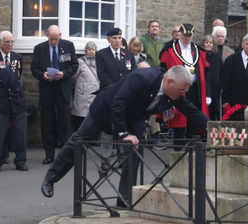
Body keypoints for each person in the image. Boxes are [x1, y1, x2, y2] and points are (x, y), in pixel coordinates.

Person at [40, 65, 209, 207]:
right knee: (78, 141)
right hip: (106, 109)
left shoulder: (174, 93)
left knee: (136, 149)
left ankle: (124, 198)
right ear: (169, 81)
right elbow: (118, 103)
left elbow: (190, 110)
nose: (182, 94)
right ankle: (51, 178)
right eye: (181, 90)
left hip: (133, 116)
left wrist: (213, 127)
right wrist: (124, 134)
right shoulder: (142, 78)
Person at [31, 25, 78, 164]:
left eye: (56, 39)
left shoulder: (68, 46)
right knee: (47, 123)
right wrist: (43, 75)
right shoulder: (39, 48)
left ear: (60, 36)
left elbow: (74, 66)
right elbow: (34, 68)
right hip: (47, 90)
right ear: (47, 36)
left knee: (65, 123)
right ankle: (49, 155)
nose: (54, 42)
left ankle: (66, 156)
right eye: (51, 39)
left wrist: (64, 73)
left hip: (62, 89)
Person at [160, 23, 211, 150]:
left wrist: (207, 94)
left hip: (194, 89)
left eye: (189, 36)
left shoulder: (198, 51)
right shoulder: (169, 50)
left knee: (194, 119)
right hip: (177, 90)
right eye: (185, 35)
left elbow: (206, 74)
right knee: (179, 122)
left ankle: (192, 151)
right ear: (179, 35)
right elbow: (162, 70)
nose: (187, 38)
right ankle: (177, 151)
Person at [0, 31, 28, 173]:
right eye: (6, 42)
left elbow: (18, 77)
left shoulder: (17, 58)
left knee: (20, 134)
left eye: (11, 41)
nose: (10, 44)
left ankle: (21, 161)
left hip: (17, 102)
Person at [95, 27, 136, 174]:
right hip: (108, 96)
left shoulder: (128, 54)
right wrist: (116, 89)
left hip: (125, 98)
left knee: (123, 128)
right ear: (108, 39)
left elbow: (133, 74)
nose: (117, 41)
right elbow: (102, 74)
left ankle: (123, 159)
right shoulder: (101, 55)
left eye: (119, 38)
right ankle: (105, 161)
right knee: (107, 129)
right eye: (114, 38)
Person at [141, 20, 165, 148]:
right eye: (152, 26)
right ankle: (154, 135)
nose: (155, 28)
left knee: (159, 105)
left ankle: (160, 133)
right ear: (149, 29)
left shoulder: (161, 42)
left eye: (157, 26)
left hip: (160, 75)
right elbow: (142, 57)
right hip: (148, 75)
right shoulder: (144, 41)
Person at [222, 33, 248, 121]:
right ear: (242, 45)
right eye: (247, 44)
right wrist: (225, 101)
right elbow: (225, 81)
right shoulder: (231, 60)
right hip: (235, 104)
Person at [71, 41, 99, 130]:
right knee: (81, 118)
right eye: (89, 49)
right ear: (86, 51)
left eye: (93, 49)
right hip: (82, 95)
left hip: (95, 95)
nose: (91, 51)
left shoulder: (98, 62)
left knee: (92, 118)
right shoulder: (80, 62)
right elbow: (73, 77)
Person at [200, 35, 223, 120]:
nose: (209, 44)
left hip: (215, 89)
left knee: (214, 111)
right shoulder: (199, 56)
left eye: (210, 42)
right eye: (206, 42)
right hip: (203, 87)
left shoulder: (217, 57)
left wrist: (219, 84)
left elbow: (221, 71)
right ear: (203, 44)